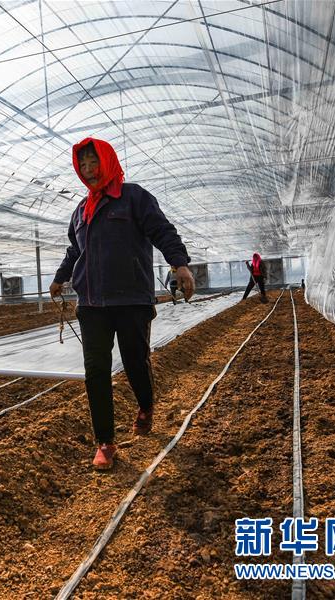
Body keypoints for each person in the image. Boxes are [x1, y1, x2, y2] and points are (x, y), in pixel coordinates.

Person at [49, 138, 193, 471]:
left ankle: (145, 405)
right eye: (83, 166)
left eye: (93, 163)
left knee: (134, 360)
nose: (88, 171)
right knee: (96, 371)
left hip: (130, 299)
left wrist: (180, 264)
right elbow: (75, 251)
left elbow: (162, 231)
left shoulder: (134, 197)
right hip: (91, 303)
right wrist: (60, 278)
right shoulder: (80, 211)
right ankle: (105, 442)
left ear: (107, 162)